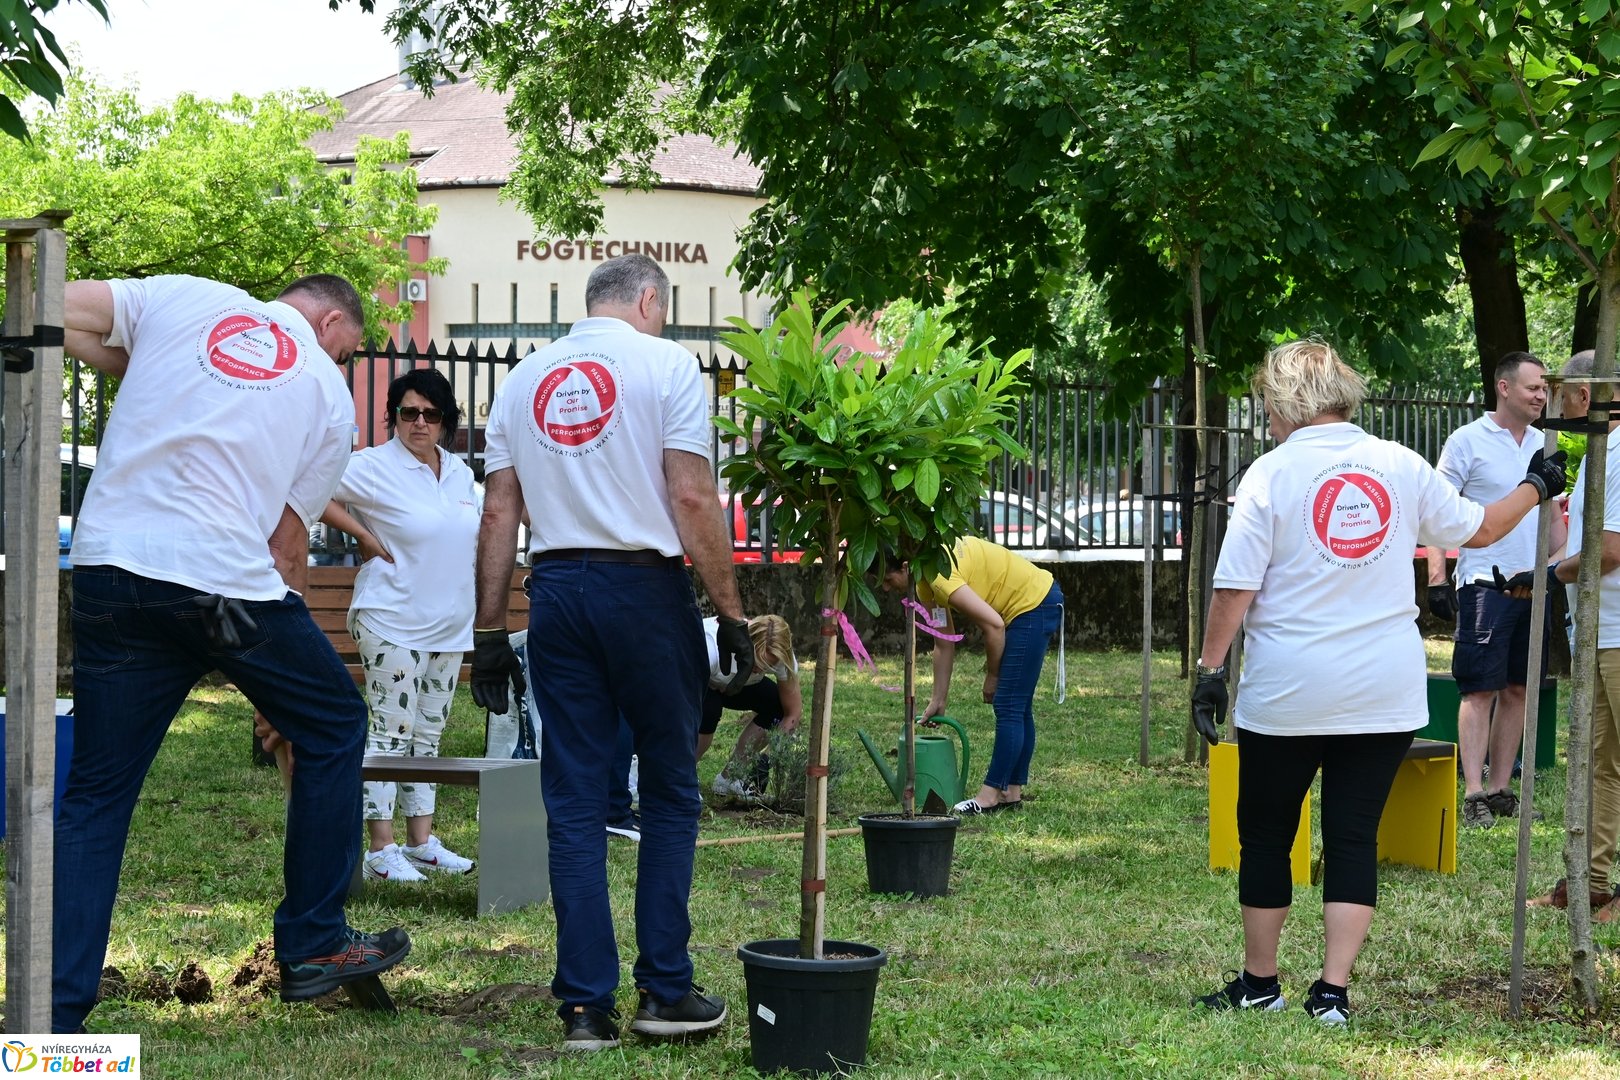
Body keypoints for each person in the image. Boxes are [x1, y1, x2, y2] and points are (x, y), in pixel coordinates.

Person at [54, 273, 410, 1033]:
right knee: (336, 724)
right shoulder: (324, 389)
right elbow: (286, 547)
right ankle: (314, 943)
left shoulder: (182, 299)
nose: (342, 361)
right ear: (330, 320)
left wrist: (143, 359)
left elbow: (52, 303)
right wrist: (272, 685)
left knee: (96, 794)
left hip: (111, 569)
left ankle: (52, 1021)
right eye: (347, 349)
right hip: (221, 590)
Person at [1190, 340, 1562, 1025]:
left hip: (1289, 693)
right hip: (1383, 690)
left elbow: (1234, 589)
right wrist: (1538, 485)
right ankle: (1332, 993)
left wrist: (1210, 671)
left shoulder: (1269, 475)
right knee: (1356, 836)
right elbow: (1478, 529)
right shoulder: (1398, 463)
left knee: (1267, 835)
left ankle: (1260, 983)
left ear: (1282, 403)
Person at [469, 253, 754, 1052]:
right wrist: (729, 614)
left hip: (556, 591)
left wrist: (489, 632)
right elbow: (692, 495)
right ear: (651, 300)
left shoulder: (525, 379)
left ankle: (585, 1009)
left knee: (575, 802)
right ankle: (665, 992)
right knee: (667, 790)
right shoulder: (667, 364)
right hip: (643, 589)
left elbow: (499, 517)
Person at [318, 368, 480, 883]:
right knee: (393, 732)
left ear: (445, 421)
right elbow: (307, 487)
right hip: (391, 619)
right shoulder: (371, 466)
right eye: (408, 412)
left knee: (428, 736)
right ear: (393, 417)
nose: (419, 423)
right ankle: (380, 849)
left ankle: (422, 841)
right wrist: (361, 535)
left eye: (431, 414)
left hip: (449, 625)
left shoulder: (458, 473)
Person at [1424, 352, 1563, 827]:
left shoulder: (1547, 444)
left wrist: (1555, 567)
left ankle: (1502, 787)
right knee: (1480, 689)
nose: (1542, 396)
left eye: (1545, 389)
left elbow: (1556, 521)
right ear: (1504, 388)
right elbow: (1436, 511)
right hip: (1485, 583)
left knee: (1522, 688)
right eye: (1533, 388)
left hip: (1535, 584)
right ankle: (1473, 792)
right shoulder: (1466, 441)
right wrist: (1438, 579)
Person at [1510, 350, 1620, 916]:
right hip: (1600, 630)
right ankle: (1591, 883)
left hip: (1619, 634)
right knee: (1601, 762)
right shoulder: (1604, 453)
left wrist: (1550, 574)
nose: (1548, 404)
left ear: (1583, 395)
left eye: (1556, 392)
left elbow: (1609, 550)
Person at [881, 536, 1064, 815]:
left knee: (1008, 704)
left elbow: (994, 625)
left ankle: (989, 796)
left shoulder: (940, 577)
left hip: (1033, 605)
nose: (885, 588)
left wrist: (993, 675)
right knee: (1017, 705)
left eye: (886, 579)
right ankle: (1010, 792)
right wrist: (938, 698)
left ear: (905, 566)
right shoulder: (925, 580)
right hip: (1036, 600)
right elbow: (943, 640)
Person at [704, 614, 803, 802]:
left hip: (735, 685)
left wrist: (768, 757)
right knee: (708, 712)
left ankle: (730, 777)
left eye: (768, 667)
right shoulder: (711, 645)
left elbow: (792, 713)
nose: (760, 670)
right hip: (702, 682)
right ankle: (677, 779)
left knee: (777, 707)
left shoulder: (781, 658)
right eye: (757, 663)